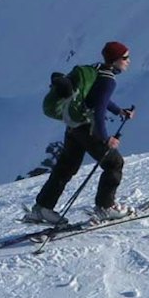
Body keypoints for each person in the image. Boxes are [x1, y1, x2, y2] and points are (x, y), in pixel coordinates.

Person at [27, 41, 135, 223]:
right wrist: (105, 138)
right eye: (125, 57)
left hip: (74, 126)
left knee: (66, 167)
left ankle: (42, 208)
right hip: (88, 127)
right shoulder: (109, 79)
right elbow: (99, 109)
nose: (128, 61)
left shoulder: (98, 69)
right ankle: (105, 207)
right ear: (115, 59)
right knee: (114, 163)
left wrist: (119, 111)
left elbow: (98, 97)